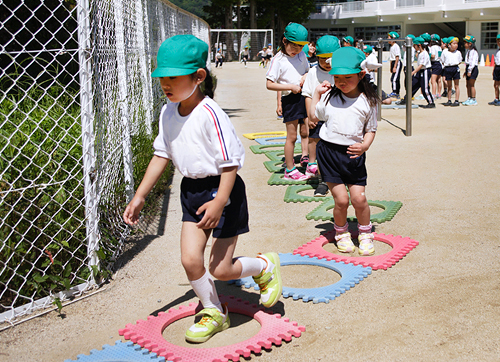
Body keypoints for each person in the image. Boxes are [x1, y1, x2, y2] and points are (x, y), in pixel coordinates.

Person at [123, 34, 282, 344]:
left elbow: (230, 163)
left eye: (172, 77)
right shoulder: (168, 112)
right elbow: (162, 154)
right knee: (190, 259)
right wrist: (140, 194)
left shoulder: (210, 114)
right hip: (192, 192)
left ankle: (264, 266)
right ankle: (213, 310)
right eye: (161, 78)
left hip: (224, 190)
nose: (165, 84)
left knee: (221, 269)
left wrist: (220, 201)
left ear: (198, 77)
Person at [310, 47, 379, 256]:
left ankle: (365, 233)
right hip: (329, 153)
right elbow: (315, 116)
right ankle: (341, 233)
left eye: (347, 77)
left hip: (353, 155)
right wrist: (316, 94)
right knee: (341, 200)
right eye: (337, 77)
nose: (341, 82)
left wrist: (365, 145)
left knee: (359, 199)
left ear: (361, 74)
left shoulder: (368, 101)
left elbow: (371, 129)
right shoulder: (330, 97)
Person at [266, 22, 310, 180]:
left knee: (307, 131)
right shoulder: (278, 60)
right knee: (292, 136)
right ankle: (290, 170)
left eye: (300, 47)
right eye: (294, 47)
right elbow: (269, 84)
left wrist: (305, 76)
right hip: (290, 99)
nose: (297, 50)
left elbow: (307, 71)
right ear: (284, 41)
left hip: (304, 96)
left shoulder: (302, 55)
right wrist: (290, 86)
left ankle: (308, 160)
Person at [302, 35, 341, 196]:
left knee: (337, 148)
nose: (326, 62)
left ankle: (337, 176)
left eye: (330, 58)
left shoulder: (340, 72)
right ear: (316, 56)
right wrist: (310, 117)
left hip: (337, 117)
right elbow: (307, 95)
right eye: (323, 58)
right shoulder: (313, 72)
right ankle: (322, 179)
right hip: (318, 116)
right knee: (317, 144)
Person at [442, 37, 462, 106]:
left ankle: (456, 100)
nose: (456, 45)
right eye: (454, 43)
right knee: (449, 86)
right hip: (447, 68)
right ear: (449, 45)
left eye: (456, 44)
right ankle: (449, 100)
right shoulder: (445, 52)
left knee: (456, 85)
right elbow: (442, 60)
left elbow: (460, 61)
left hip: (455, 68)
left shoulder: (458, 52)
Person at [462, 35, 479, 106]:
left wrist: (469, 71)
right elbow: (467, 62)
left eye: (466, 42)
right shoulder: (469, 51)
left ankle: (473, 99)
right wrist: (466, 71)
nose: (464, 44)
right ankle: (469, 98)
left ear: (470, 44)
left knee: (471, 84)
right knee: (467, 85)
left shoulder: (473, 52)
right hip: (468, 68)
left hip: (473, 68)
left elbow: (472, 62)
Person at [388, 31, 402, 98]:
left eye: (389, 37)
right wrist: (391, 66)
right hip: (393, 62)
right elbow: (391, 58)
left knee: (394, 79)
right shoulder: (391, 47)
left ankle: (395, 92)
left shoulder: (396, 46)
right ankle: (396, 92)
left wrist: (395, 67)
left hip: (397, 62)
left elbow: (397, 57)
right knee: (394, 78)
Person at [429, 34, 443, 99]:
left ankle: (433, 94)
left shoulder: (432, 47)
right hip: (439, 63)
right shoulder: (439, 47)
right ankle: (439, 93)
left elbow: (433, 56)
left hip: (435, 63)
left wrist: (428, 55)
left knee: (433, 80)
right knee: (439, 80)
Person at [488, 34, 500, 106]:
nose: (499, 42)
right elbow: (495, 61)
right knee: (496, 85)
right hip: (497, 68)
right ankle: (496, 98)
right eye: (498, 41)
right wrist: (493, 70)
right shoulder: (497, 51)